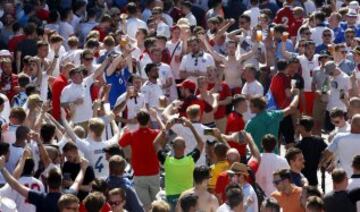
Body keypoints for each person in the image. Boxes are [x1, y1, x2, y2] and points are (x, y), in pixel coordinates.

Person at [0, 155, 88, 212]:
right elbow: (77, 182)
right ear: (61, 182)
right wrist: (83, 168)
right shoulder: (69, 195)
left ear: (46, 182)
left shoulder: (41, 198)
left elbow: (16, 186)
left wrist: (2, 168)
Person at [154, 117, 204, 208]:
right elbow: (201, 143)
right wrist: (191, 127)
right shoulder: (190, 160)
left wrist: (166, 127)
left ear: (173, 147)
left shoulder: (167, 161)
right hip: (188, 198)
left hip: (171, 199)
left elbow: (155, 144)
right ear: (185, 147)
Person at [119, 110, 161, 210]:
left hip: (139, 174)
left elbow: (120, 143)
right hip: (154, 172)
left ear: (137, 120)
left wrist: (124, 132)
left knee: (146, 207)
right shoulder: (156, 133)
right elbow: (164, 131)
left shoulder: (131, 135)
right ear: (149, 120)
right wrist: (157, 117)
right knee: (157, 204)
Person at [295, 116, 327, 186]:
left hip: (301, 181)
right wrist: (322, 162)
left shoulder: (299, 145)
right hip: (314, 180)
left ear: (302, 128)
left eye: (298, 126)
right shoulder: (319, 140)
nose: (297, 127)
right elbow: (327, 151)